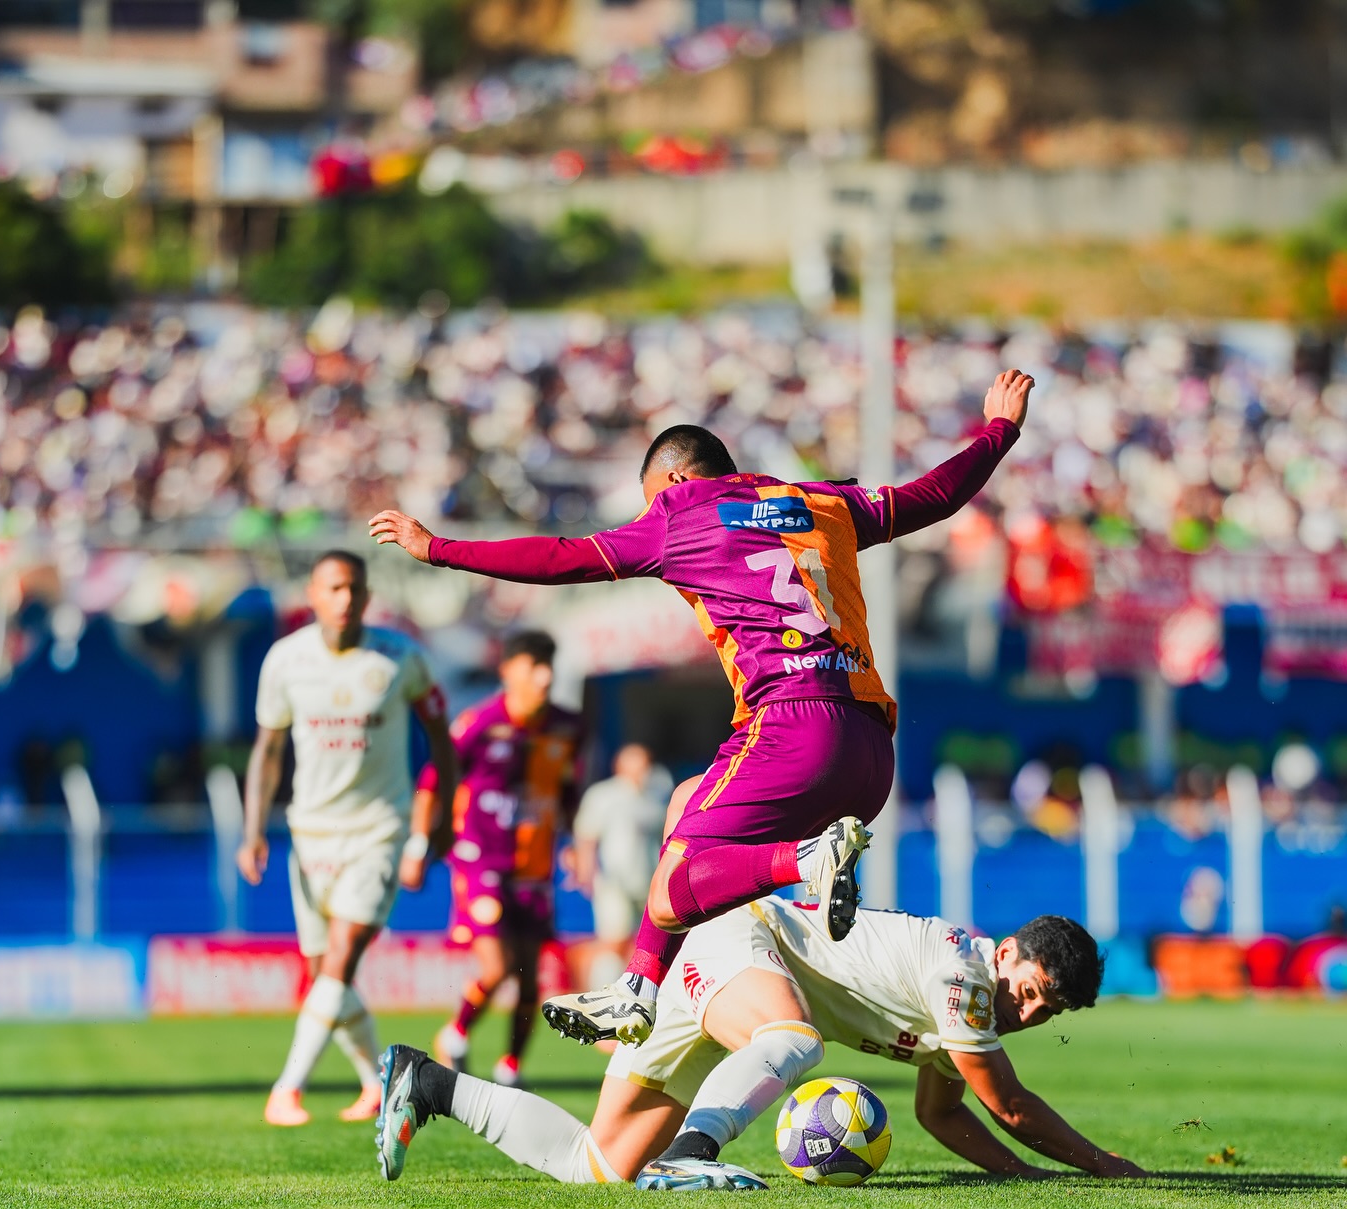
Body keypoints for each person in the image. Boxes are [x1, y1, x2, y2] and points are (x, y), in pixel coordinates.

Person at [368, 370, 1034, 1051]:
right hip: (869, 751)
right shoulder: (818, 503)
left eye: (650, 500)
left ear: (675, 482)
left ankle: (807, 862)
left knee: (672, 888)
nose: (647, 515)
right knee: (686, 804)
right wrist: (999, 429)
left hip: (791, 728)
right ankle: (638, 990)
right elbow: (936, 496)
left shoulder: (680, 515)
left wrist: (438, 549)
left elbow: (565, 558)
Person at [375, 899, 1147, 1188]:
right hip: (741, 942)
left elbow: (945, 1117)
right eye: (1029, 986)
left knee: (598, 1168)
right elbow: (1007, 1105)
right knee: (795, 1037)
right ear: (1006, 952)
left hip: (732, 988)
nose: (1026, 1007)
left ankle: (425, 1083)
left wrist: (1019, 1178)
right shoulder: (964, 982)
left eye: (1045, 1008)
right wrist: (1106, 1167)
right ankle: (695, 1154)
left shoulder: (966, 1015)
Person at [238, 550, 457, 1126]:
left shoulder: (400, 658)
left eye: (353, 589)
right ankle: (375, 1082)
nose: (344, 599)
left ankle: (286, 1089)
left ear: (366, 596)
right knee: (322, 975)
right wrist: (253, 829)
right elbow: (268, 749)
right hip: (310, 835)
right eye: (333, 588)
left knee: (337, 962)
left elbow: (442, 738)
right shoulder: (285, 661)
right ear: (311, 595)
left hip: (378, 831)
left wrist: (437, 820)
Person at [425, 630, 582, 1088]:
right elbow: (434, 779)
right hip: (480, 859)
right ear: (509, 671)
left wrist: (572, 842)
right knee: (496, 967)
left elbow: (568, 789)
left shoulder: (568, 726)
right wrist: (421, 844)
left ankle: (510, 1067)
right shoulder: (479, 722)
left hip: (533, 864)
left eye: (549, 663)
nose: (546, 675)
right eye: (535, 664)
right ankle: (455, 1034)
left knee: (531, 979)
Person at [572, 743, 674, 969]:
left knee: (642, 943)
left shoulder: (655, 797)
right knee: (613, 939)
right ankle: (598, 988)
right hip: (614, 879)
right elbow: (586, 835)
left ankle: (629, 991)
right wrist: (585, 870)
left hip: (648, 881)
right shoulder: (603, 795)